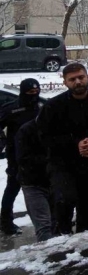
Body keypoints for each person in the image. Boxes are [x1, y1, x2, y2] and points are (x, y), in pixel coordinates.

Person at [37, 63, 88, 235]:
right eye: (72, 79)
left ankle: (85, 239)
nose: (78, 82)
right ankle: (62, 236)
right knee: (64, 201)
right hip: (62, 162)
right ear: (65, 82)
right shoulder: (53, 106)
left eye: (81, 77)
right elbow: (45, 137)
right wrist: (75, 144)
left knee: (87, 204)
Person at [0, 78, 42, 235]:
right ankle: (6, 222)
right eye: (31, 92)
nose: (34, 95)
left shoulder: (41, 107)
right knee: (13, 187)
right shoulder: (11, 109)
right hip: (16, 156)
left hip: (39, 155)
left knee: (42, 188)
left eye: (37, 92)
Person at [15, 119, 54, 242]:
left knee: (56, 223)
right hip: (33, 183)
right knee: (44, 226)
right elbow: (23, 158)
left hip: (54, 180)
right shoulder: (26, 130)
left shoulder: (58, 127)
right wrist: (51, 160)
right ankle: (50, 251)